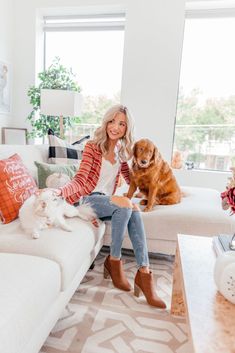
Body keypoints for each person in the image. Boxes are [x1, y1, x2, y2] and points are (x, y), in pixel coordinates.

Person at [55, 104, 166, 308]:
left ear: (127, 128)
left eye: (121, 124)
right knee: (124, 205)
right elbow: (80, 180)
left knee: (133, 210)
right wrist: (60, 192)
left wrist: (151, 185)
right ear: (106, 122)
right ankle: (114, 261)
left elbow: (130, 178)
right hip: (89, 200)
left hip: (107, 203)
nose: (115, 127)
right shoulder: (92, 146)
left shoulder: (122, 152)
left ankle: (144, 273)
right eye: (112, 121)